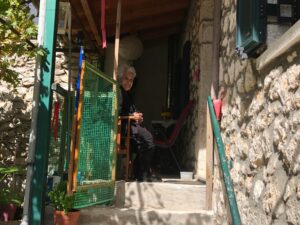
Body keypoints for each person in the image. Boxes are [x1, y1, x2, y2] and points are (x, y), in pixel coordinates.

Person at [118, 64, 155, 182]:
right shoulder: (119, 92)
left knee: (144, 142)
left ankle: (141, 172)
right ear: (120, 78)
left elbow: (131, 108)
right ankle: (142, 173)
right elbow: (117, 112)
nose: (128, 83)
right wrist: (132, 116)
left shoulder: (127, 93)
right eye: (126, 79)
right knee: (148, 139)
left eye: (131, 80)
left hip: (130, 125)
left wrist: (137, 116)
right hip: (123, 127)